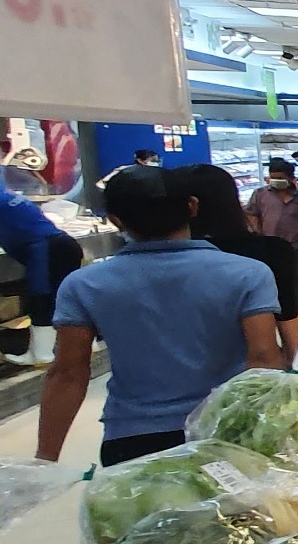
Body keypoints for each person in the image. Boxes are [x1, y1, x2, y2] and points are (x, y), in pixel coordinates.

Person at [37, 165, 283, 464]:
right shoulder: (247, 274)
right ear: (192, 206)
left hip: (133, 438)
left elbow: (68, 373)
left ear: (115, 220)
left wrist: (45, 459)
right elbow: (263, 358)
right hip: (226, 431)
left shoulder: (83, 284)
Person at [170, 164, 298, 358]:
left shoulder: (153, 262)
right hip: (244, 369)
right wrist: (295, 362)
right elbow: (286, 321)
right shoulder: (269, 252)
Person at [0, 185, 83, 367]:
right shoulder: (6, 193)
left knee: (42, 299)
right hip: (64, 244)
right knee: (67, 301)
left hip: (46, 250)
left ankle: (42, 354)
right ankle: (85, 346)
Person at [246, 158, 298, 262]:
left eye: (280, 178)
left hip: (297, 245)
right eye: (273, 178)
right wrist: (257, 236)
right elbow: (252, 215)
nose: (276, 181)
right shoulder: (260, 194)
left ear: (291, 178)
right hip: (270, 245)